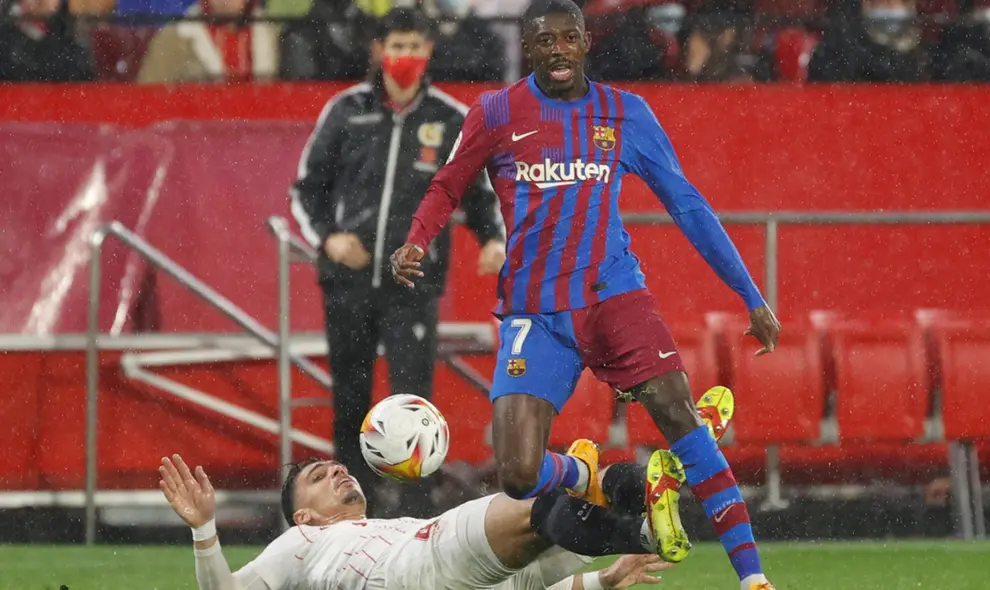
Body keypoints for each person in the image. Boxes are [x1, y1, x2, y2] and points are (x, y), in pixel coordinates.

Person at [390, 1, 780, 588]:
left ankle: (753, 578)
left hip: (614, 297)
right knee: (518, 474)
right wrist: (416, 239)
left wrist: (750, 295)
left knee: (679, 415)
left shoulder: (624, 113)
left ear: (584, 43)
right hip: (536, 314)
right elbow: (447, 184)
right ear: (527, 46)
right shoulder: (497, 112)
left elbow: (687, 205)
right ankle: (594, 476)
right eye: (544, 41)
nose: (558, 51)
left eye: (568, 38)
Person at [289, 7, 506, 516]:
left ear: (429, 50)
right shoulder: (345, 110)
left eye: (414, 46)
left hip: (414, 282)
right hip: (348, 280)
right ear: (378, 50)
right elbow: (306, 189)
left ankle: (415, 515)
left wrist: (493, 239)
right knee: (350, 398)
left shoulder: (451, 119)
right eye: (397, 45)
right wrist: (329, 239)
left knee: (413, 405)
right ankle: (348, 514)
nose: (405, 56)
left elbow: (478, 194)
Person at [157, 451, 680, 590]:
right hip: (412, 569)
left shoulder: (393, 523)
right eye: (319, 476)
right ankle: (663, 473)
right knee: (542, 501)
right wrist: (204, 528)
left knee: (559, 521)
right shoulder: (303, 541)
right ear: (303, 513)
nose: (338, 470)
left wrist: (602, 583)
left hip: (448, 574)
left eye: (336, 466)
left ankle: (643, 509)